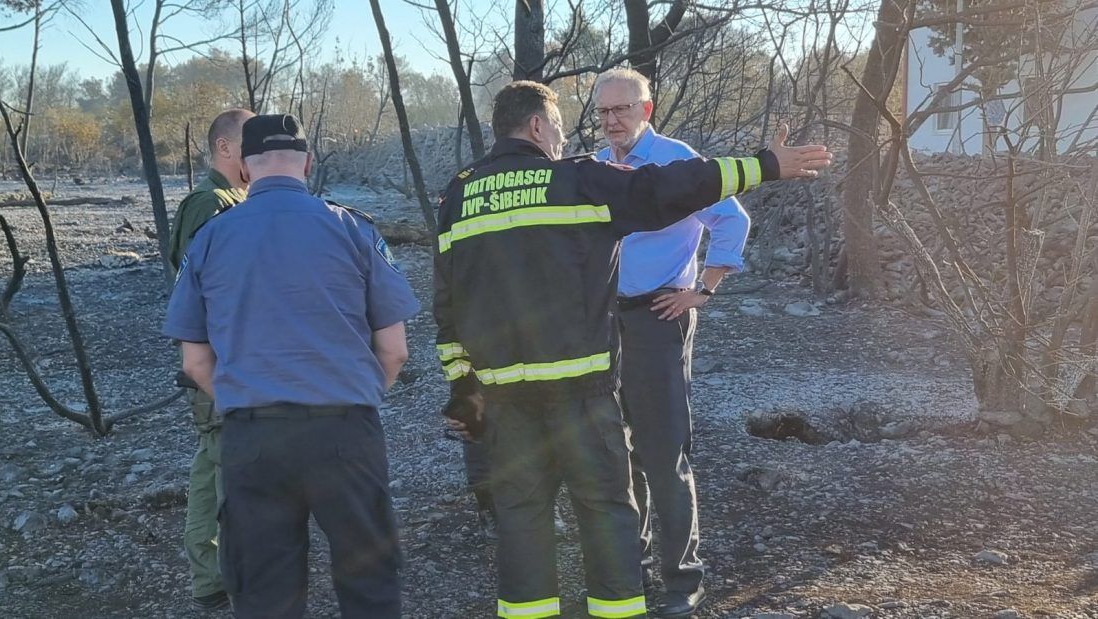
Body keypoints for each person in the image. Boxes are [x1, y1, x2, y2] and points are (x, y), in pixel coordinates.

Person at [435, 80, 831, 619]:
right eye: (558, 125)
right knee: (606, 511)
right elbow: (670, 189)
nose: (564, 135)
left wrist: (464, 389)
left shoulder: (459, 194)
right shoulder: (577, 177)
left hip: (507, 399)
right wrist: (765, 164)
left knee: (522, 520)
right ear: (536, 126)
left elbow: (446, 303)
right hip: (582, 389)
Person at [163, 114, 419, 618]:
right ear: (308, 161)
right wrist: (359, 395)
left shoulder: (212, 237)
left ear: (247, 166)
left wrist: (242, 397)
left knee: (263, 593)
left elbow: (194, 362)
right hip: (345, 430)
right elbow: (395, 350)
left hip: (254, 438)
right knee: (370, 585)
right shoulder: (353, 227)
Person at [592, 68, 750, 617]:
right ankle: (629, 569)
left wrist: (702, 290)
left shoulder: (677, 162)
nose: (613, 121)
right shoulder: (595, 168)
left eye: (623, 109)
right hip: (603, 325)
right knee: (616, 452)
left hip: (660, 317)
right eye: (604, 112)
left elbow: (732, 220)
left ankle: (683, 578)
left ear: (647, 109)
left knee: (662, 453)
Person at [166, 107, 253, 613]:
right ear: (224, 147)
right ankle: (236, 581)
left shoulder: (224, 200)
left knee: (210, 465)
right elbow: (212, 289)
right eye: (249, 143)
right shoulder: (211, 204)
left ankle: (208, 578)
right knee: (232, 472)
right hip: (220, 364)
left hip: (214, 362)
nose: (258, 154)